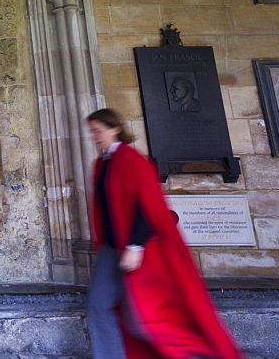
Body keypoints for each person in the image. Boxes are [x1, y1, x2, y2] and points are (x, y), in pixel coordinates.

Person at [86, 108, 240, 359]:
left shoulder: (134, 161)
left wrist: (135, 247)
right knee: (99, 306)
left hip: (138, 250)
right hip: (110, 249)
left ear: (114, 128)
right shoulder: (100, 165)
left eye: (98, 130)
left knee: (144, 319)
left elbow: (147, 207)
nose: (94, 136)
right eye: (92, 132)